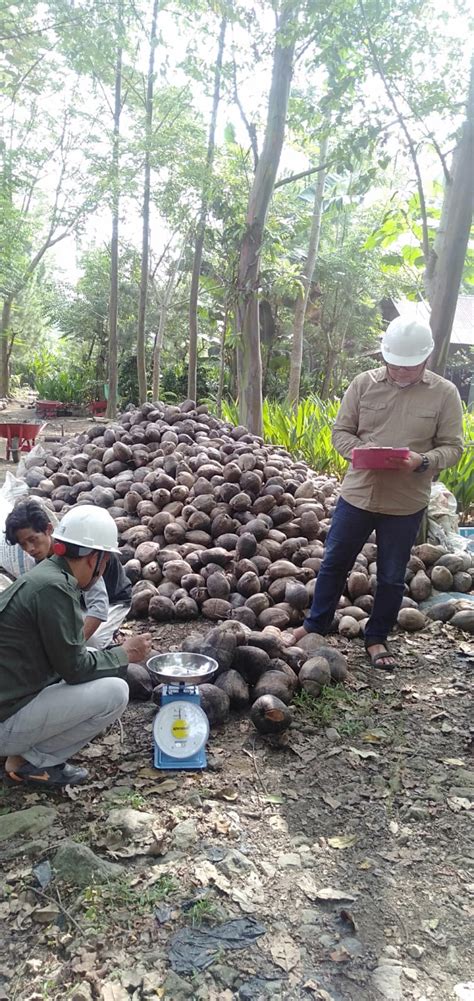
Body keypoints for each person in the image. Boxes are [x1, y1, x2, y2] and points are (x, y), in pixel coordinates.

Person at [292, 317, 464, 669]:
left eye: (409, 366)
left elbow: (453, 447)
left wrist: (422, 460)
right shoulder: (363, 384)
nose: (400, 372)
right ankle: (315, 625)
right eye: (394, 364)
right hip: (359, 493)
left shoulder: (444, 393)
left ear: (426, 359)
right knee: (334, 561)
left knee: (390, 574)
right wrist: (359, 451)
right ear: (384, 357)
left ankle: (377, 638)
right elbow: (341, 432)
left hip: (406, 501)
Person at [0, 505, 151, 787]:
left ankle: (24, 751)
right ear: (95, 558)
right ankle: (32, 762)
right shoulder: (55, 588)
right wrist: (125, 653)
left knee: (96, 656)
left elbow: (68, 654)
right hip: (5, 720)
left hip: (11, 696)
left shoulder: (48, 575)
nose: (103, 570)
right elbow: (74, 669)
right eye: (105, 563)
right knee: (116, 691)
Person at [4, 499, 132, 647]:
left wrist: (73, 648)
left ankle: (109, 636)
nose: (30, 549)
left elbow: (99, 605)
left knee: (91, 641)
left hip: (112, 601)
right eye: (23, 544)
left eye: (33, 540)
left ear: (49, 529)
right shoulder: (40, 558)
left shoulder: (78, 554)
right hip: (79, 601)